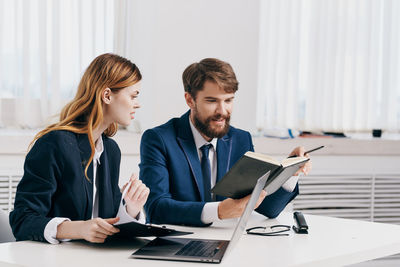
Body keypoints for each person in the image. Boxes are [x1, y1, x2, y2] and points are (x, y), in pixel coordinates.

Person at [139, 58, 311, 226]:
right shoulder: (159, 139)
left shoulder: (240, 139)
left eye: (228, 100)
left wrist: (290, 172)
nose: (222, 111)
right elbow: (156, 208)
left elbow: (269, 209)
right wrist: (219, 211)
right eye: (212, 101)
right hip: (177, 245)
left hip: (227, 242)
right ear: (190, 100)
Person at [9, 53, 150, 243]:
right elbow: (22, 220)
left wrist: (131, 208)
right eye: (133, 96)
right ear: (107, 95)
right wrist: (78, 229)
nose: (137, 104)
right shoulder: (55, 144)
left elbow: (107, 220)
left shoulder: (110, 150)